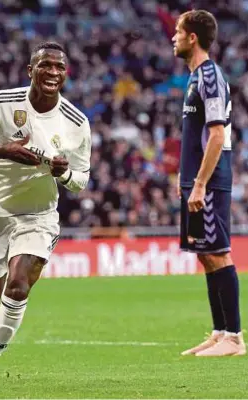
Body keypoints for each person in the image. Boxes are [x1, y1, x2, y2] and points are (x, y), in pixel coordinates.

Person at [0, 41, 91, 389]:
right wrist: (3, 150)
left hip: (39, 215)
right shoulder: (3, 102)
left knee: (19, 285)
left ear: (66, 74)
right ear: (30, 70)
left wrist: (63, 174)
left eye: (59, 68)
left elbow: (81, 179)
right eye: (45, 65)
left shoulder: (76, 123)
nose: (53, 72)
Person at [172, 10, 245, 356]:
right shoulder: (194, 77)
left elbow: (217, 135)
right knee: (205, 254)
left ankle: (234, 336)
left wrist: (200, 183)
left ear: (192, 38)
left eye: (177, 31)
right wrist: (184, 178)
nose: (173, 37)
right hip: (195, 180)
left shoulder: (210, 76)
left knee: (218, 253)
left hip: (210, 181)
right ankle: (219, 332)